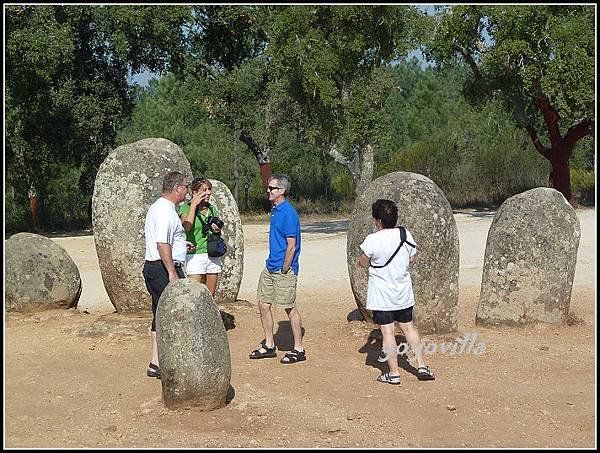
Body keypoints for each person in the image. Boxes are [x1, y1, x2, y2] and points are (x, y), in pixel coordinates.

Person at [358, 199, 435, 385]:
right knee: (409, 327)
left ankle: (393, 374)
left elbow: (362, 262)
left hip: (382, 294)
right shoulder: (404, 233)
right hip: (402, 291)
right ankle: (422, 365)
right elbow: (412, 257)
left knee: (388, 332)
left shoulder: (372, 240)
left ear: (378, 221)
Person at [249, 174, 305, 364]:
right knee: (263, 304)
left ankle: (298, 349)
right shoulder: (275, 210)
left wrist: (285, 268)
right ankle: (269, 345)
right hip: (270, 266)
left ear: (282, 191)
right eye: (268, 187)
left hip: (283, 269)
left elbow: (292, 245)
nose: (268, 190)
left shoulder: (288, 213)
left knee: (289, 307)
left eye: (272, 188)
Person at [142, 171, 190, 378]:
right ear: (178, 188)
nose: (187, 191)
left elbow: (167, 241)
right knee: (174, 313)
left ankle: (156, 362)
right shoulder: (164, 211)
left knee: (159, 314)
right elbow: (162, 243)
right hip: (162, 269)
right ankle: (172, 361)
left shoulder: (162, 208)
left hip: (159, 266)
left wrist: (181, 245)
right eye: (186, 187)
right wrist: (172, 272)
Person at [178, 177, 223, 296]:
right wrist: (193, 205)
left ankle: (208, 314)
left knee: (210, 294)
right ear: (194, 192)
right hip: (195, 255)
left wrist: (216, 229)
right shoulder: (185, 207)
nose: (208, 192)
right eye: (204, 190)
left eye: (209, 189)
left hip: (212, 253)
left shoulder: (212, 208)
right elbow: (186, 227)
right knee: (194, 294)